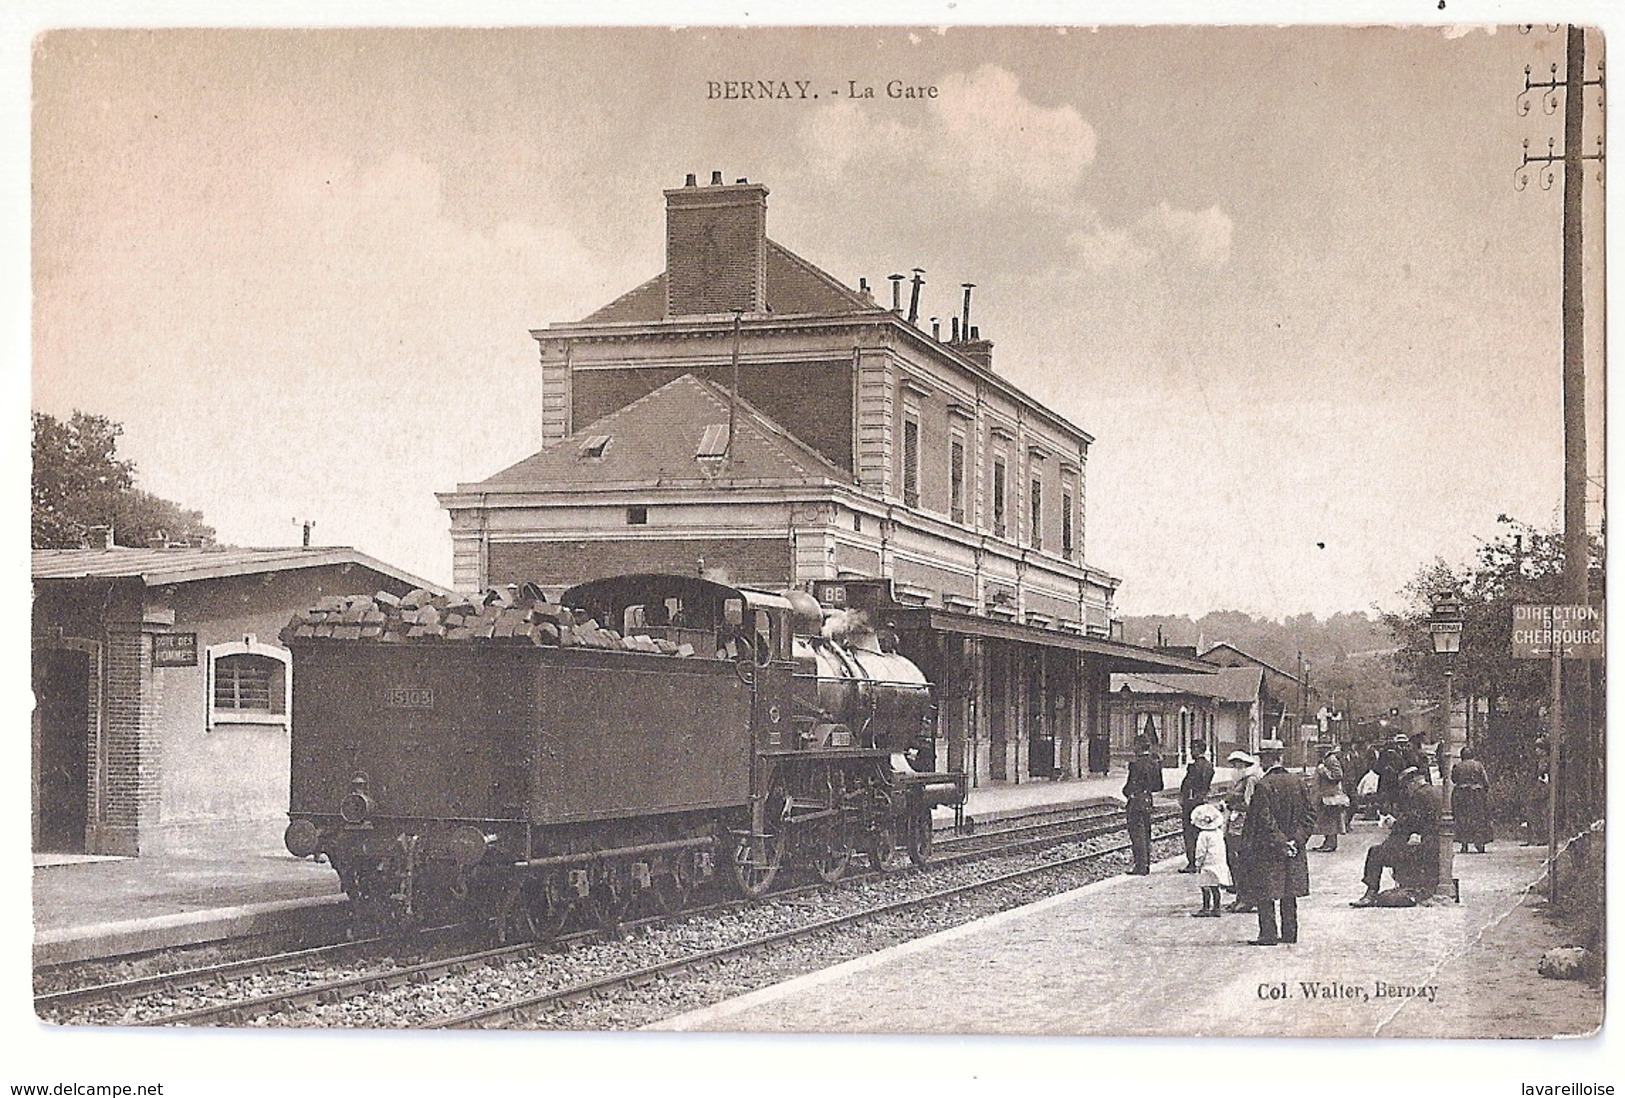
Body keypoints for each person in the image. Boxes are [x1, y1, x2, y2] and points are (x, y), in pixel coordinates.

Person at [1240, 740, 1312, 945]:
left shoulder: (1264, 786)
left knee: (1266, 891)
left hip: (1269, 849)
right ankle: (1290, 934)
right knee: (1289, 891)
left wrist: (1281, 842)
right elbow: (1309, 815)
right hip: (1294, 848)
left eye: (1263, 758)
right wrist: (1296, 841)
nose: (1261, 762)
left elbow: (1263, 820)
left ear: (1270, 759)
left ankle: (1268, 935)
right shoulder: (1297, 782)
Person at [1350, 766, 1443, 906]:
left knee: (1375, 852)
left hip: (1421, 849)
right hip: (1433, 845)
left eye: (1407, 787)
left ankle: (1371, 892)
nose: (1407, 791)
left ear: (1412, 783)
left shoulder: (1419, 795)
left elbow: (1411, 823)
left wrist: (1394, 823)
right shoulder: (1437, 792)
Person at [1223, 750, 1263, 913]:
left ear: (1245, 765)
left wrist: (1232, 805)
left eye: (1238, 764)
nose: (1235, 767)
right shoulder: (1240, 780)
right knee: (1234, 861)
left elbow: (1250, 805)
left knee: (1241, 862)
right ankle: (1240, 897)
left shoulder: (1251, 780)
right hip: (1234, 824)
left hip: (1243, 825)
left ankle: (1246, 899)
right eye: (1234, 764)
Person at [1122, 734, 1163, 875]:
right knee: (1146, 833)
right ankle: (1146, 864)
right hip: (1148, 800)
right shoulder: (1154, 763)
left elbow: (1129, 786)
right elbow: (1159, 786)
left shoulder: (1136, 765)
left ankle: (1140, 866)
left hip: (1136, 801)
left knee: (1137, 833)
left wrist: (1127, 793)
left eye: (1135, 745)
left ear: (1138, 746)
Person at [1178, 738, 1215, 873]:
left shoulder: (1194, 767)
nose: (1191, 752)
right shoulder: (1209, 766)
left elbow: (1188, 784)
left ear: (1198, 749)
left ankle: (1192, 862)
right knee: (1200, 831)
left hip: (1191, 802)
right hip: (1202, 801)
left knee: (1189, 832)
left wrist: (1184, 798)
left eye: (1193, 749)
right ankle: (1200, 860)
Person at [1190, 802, 1231, 917]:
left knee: (1205, 886)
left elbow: (1201, 851)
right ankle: (1217, 908)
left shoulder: (1203, 835)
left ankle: (1206, 908)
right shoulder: (1219, 833)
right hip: (1218, 862)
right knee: (1215, 887)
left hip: (1207, 864)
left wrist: (1198, 863)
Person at [1451, 745, 1492, 854]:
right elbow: (1485, 780)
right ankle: (1480, 843)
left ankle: (1464, 844)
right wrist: (1484, 791)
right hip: (1476, 795)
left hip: (1462, 794)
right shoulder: (1478, 765)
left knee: (1462, 818)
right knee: (1479, 818)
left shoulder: (1458, 766)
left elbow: (1454, 779)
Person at [1310, 745, 1347, 851]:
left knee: (1331, 820)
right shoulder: (1325, 760)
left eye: (1319, 750)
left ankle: (1330, 843)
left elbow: (1338, 775)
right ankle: (1327, 842)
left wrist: (1323, 771)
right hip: (1325, 796)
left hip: (1330, 797)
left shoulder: (1331, 760)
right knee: (1326, 820)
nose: (1317, 752)